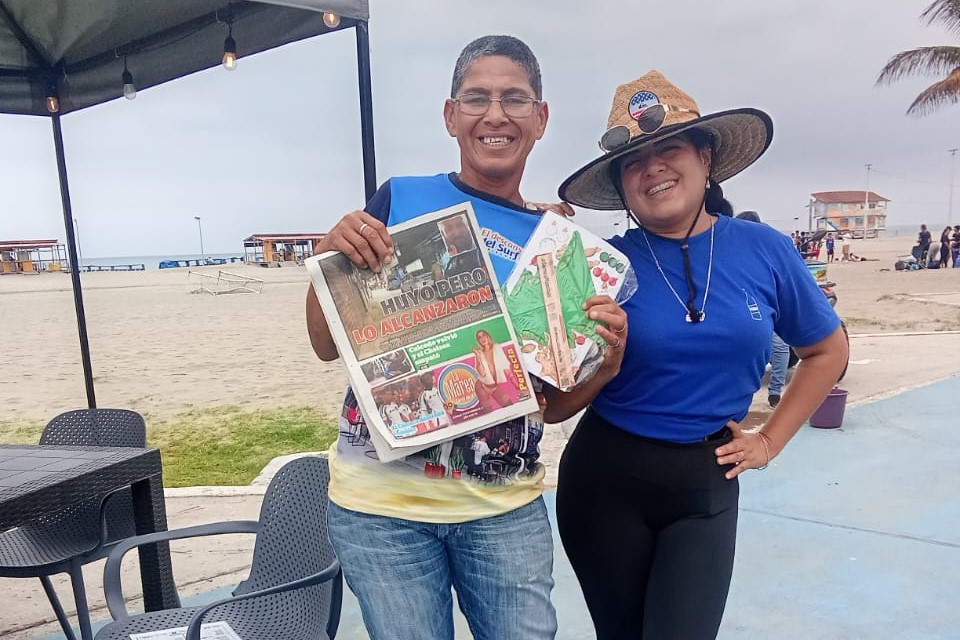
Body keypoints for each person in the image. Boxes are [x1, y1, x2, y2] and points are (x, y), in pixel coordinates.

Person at [544, 70, 849, 639]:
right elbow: (553, 405)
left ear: (705, 158)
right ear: (622, 184)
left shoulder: (766, 250)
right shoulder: (597, 267)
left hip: (705, 484)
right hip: (602, 483)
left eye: (670, 147)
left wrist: (769, 440)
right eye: (635, 160)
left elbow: (827, 350)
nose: (653, 166)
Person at [305, 35, 562, 640]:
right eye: (477, 98)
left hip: (505, 509)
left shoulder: (555, 243)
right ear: (451, 116)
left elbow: (553, 403)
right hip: (380, 513)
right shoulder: (400, 199)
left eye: (514, 99)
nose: (495, 115)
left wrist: (601, 365)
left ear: (541, 118)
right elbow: (324, 343)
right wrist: (327, 255)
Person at [472, 328, 513, 409]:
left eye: (484, 335)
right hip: (481, 387)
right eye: (479, 337)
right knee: (488, 412)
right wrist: (477, 356)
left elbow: (506, 367)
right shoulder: (480, 353)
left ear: (488, 336)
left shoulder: (497, 347)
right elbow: (482, 373)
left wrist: (517, 384)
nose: (482, 338)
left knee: (509, 406)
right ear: (478, 341)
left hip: (495, 387)